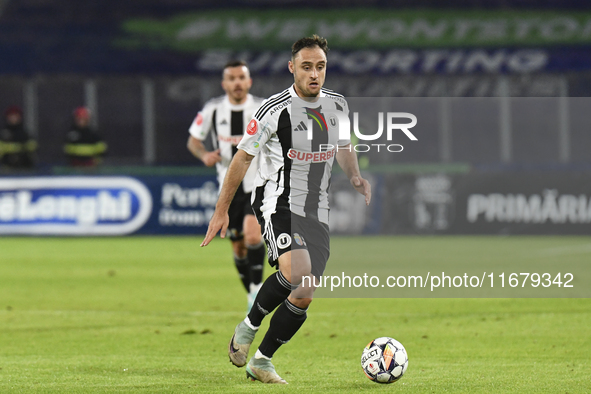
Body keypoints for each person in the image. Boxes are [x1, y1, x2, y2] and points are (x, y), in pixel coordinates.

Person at [201, 35, 371, 384]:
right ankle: (248, 326)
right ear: (292, 68)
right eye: (306, 67)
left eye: (320, 67)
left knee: (305, 292)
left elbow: (343, 145)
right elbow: (242, 158)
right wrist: (222, 210)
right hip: (278, 202)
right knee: (297, 270)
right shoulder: (272, 111)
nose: (314, 74)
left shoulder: (337, 105)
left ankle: (262, 360)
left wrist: (354, 175)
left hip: (317, 209)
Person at [187, 60, 266, 311]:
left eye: (241, 78)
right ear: (224, 84)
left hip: (258, 183)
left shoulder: (262, 108)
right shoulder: (213, 110)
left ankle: (256, 291)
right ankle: (251, 294)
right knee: (239, 247)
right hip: (228, 189)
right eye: (232, 78)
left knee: (253, 235)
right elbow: (193, 141)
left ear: (249, 82)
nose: (237, 83)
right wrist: (203, 155)